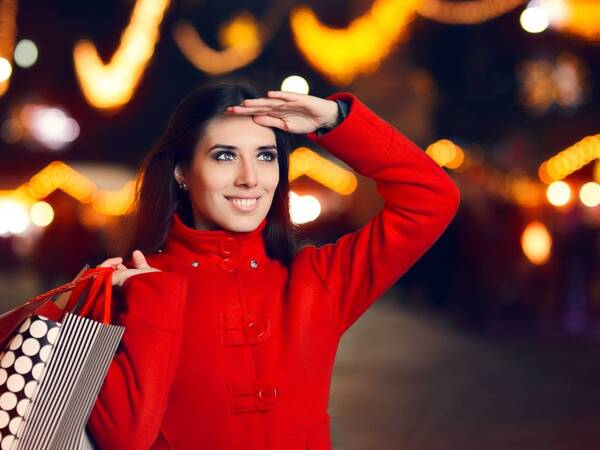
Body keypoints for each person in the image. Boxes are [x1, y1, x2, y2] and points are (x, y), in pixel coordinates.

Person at [86, 81, 460, 449]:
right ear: (182, 172)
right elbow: (124, 440)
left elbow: (432, 198)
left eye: (266, 156)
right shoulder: (129, 285)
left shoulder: (318, 279)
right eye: (225, 155)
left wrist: (334, 119)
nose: (250, 179)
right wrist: (151, 303)